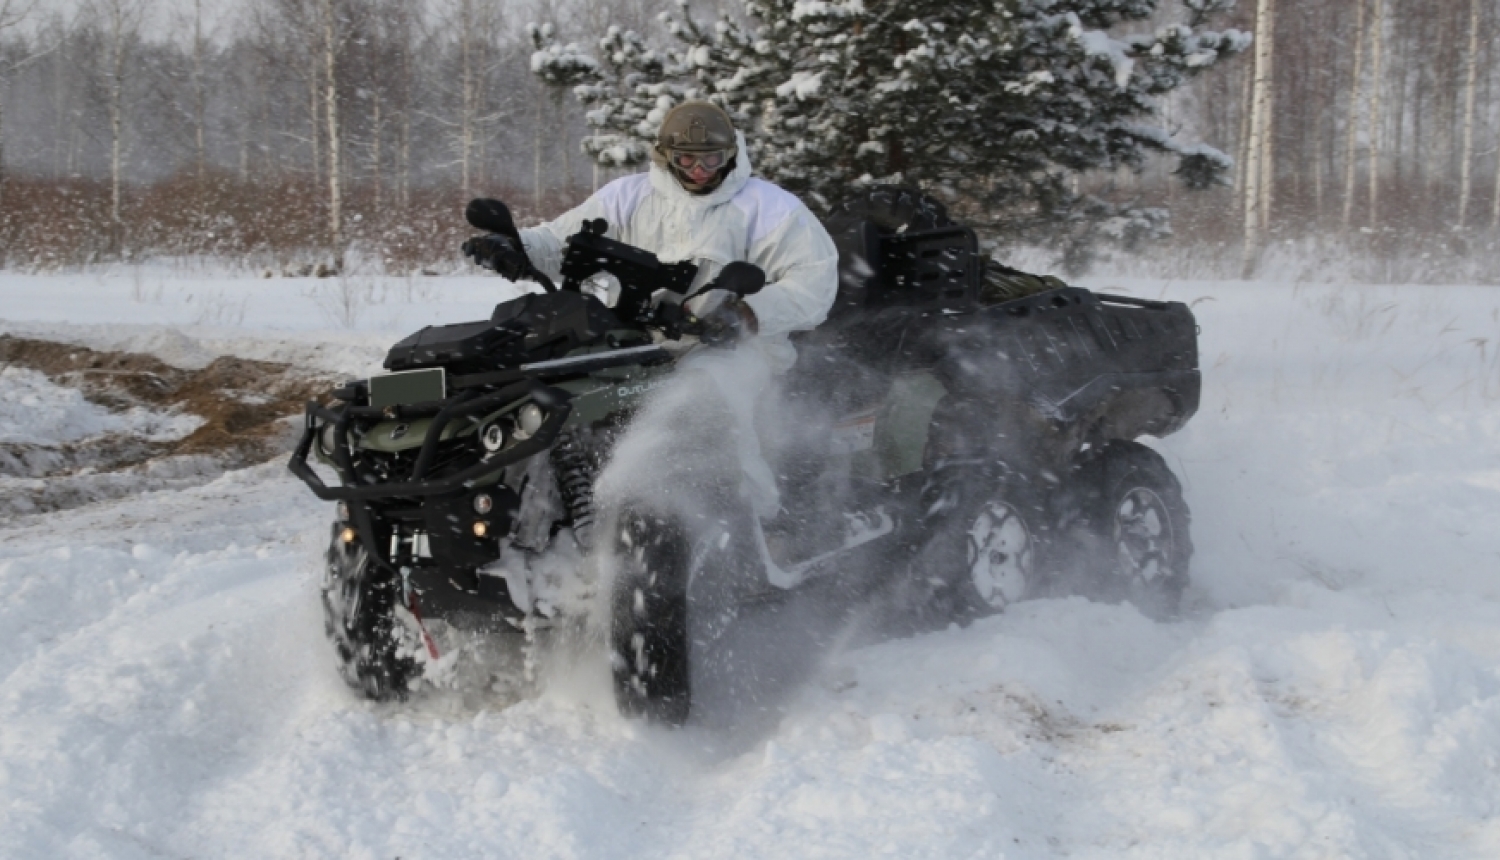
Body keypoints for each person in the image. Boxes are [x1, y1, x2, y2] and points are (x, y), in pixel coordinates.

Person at [470, 100, 839, 374]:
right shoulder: (626, 197)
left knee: (711, 425)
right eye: (685, 159)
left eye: (711, 160)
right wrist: (516, 248)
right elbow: (560, 242)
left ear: (730, 155)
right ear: (665, 156)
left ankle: (746, 481)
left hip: (737, 355)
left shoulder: (771, 208)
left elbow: (814, 282)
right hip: (631, 346)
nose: (698, 171)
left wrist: (746, 314)